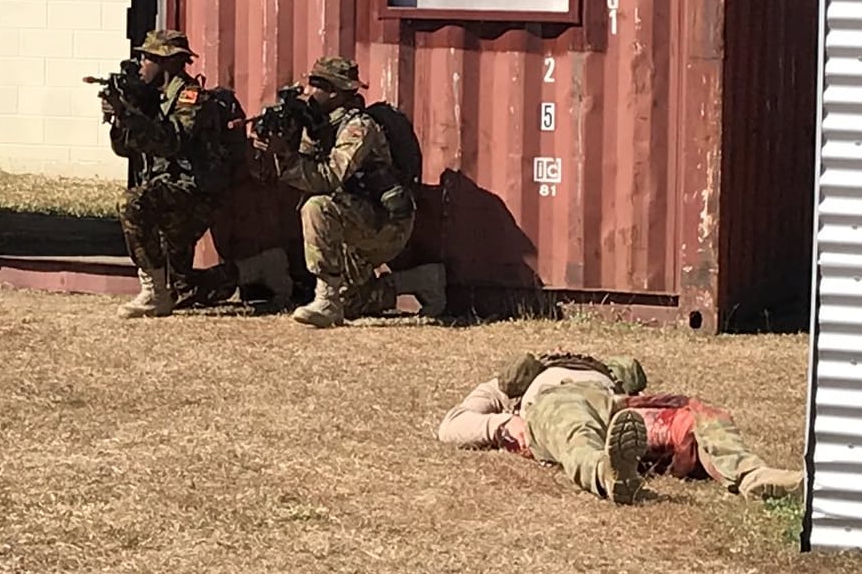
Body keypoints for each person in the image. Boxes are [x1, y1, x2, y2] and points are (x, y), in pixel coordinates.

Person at [437, 350, 806, 505]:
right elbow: (451, 426)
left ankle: (752, 475)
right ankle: (608, 474)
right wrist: (503, 423)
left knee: (693, 418)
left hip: (617, 407)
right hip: (554, 403)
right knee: (575, 432)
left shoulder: (606, 374)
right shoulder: (509, 389)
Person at [105, 29, 290, 318]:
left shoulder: (192, 99)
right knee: (183, 289)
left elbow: (171, 141)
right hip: (169, 192)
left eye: (147, 59)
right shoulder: (155, 99)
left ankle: (154, 294)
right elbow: (125, 150)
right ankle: (258, 268)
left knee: (132, 203)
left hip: (195, 195)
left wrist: (130, 115)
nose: (141, 65)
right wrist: (120, 117)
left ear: (167, 62)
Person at [253, 56, 443, 328]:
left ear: (335, 91)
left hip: (385, 223)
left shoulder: (358, 127)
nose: (308, 92)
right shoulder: (320, 127)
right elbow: (306, 174)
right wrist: (277, 151)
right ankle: (422, 281)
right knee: (353, 303)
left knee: (316, 206)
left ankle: (327, 301)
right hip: (351, 220)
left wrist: (287, 154)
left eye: (316, 85)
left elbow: (329, 177)